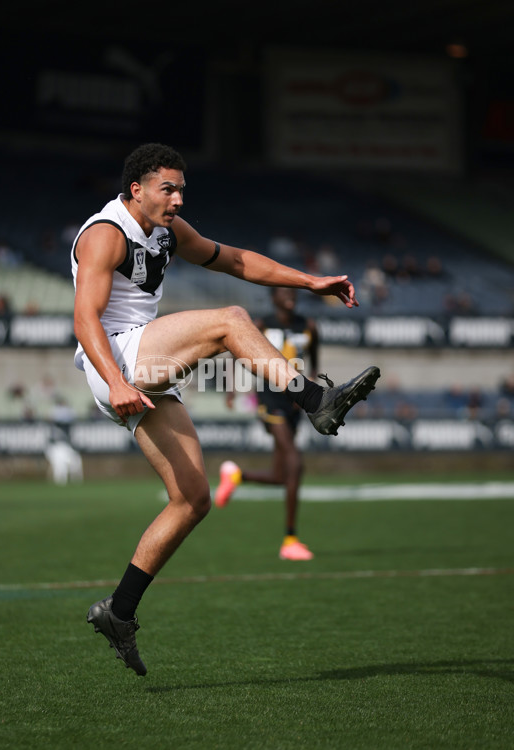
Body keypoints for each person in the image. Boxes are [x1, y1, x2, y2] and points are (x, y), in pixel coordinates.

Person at [71, 143, 380, 676]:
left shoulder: (166, 233)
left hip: (142, 364)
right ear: (136, 189)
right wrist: (117, 381)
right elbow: (84, 319)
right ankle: (316, 400)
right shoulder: (106, 233)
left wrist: (310, 282)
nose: (178, 199)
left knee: (192, 499)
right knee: (230, 320)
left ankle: (119, 611)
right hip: (116, 358)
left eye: (182, 189)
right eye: (168, 188)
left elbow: (236, 260)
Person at [214, 287, 320, 561]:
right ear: (273, 298)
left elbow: (314, 364)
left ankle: (236, 475)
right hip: (270, 397)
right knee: (295, 463)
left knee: (281, 475)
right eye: (283, 292)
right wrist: (232, 389)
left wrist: (309, 392)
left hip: (295, 402)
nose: (290, 296)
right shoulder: (261, 324)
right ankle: (290, 540)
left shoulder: (308, 326)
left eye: (293, 292)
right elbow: (234, 351)